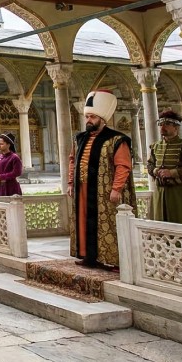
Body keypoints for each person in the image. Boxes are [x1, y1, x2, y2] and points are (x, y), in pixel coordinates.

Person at [67, 90, 135, 269]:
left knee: (108, 224)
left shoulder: (117, 140)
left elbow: (123, 166)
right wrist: (70, 183)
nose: (88, 120)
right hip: (83, 190)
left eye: (92, 117)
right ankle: (88, 256)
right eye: (87, 116)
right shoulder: (80, 138)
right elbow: (72, 161)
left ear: (102, 119)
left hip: (104, 192)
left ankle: (113, 259)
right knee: (83, 222)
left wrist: (117, 188)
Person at [146, 110, 182, 225]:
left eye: (167, 124)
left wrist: (172, 173)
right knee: (160, 225)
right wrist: (155, 170)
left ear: (176, 127)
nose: (162, 127)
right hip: (160, 192)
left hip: (180, 192)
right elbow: (149, 165)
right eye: (160, 124)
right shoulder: (155, 146)